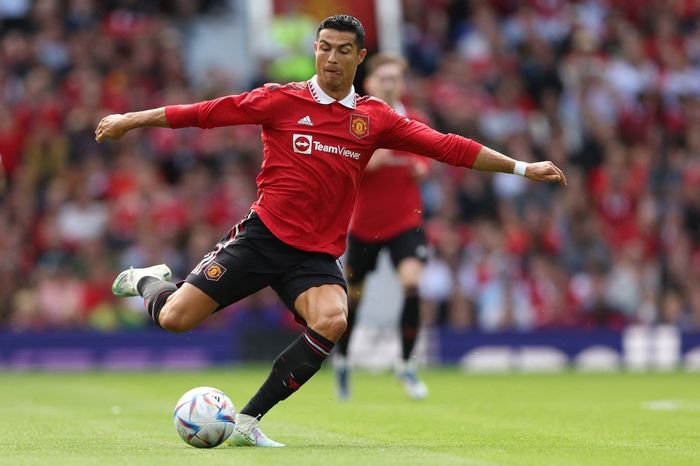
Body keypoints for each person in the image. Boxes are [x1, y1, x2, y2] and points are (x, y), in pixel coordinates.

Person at [95, 14, 566, 447]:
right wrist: (129, 120)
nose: (331, 58)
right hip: (262, 238)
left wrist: (523, 168)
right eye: (323, 47)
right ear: (314, 50)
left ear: (360, 57)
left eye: (342, 50)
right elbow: (204, 112)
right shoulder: (281, 99)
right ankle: (147, 279)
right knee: (175, 319)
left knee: (333, 319)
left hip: (314, 254)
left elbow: (446, 146)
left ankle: (248, 421)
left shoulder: (373, 117)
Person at [334, 52, 431, 401]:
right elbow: (348, 165)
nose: (390, 84)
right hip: (365, 225)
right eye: (384, 79)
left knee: (412, 283)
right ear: (370, 84)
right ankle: (343, 360)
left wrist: (421, 167)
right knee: (354, 298)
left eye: (395, 79)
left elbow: (426, 156)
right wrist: (374, 161)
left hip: (406, 220)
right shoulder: (357, 121)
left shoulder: (414, 120)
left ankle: (406, 365)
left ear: (402, 84)